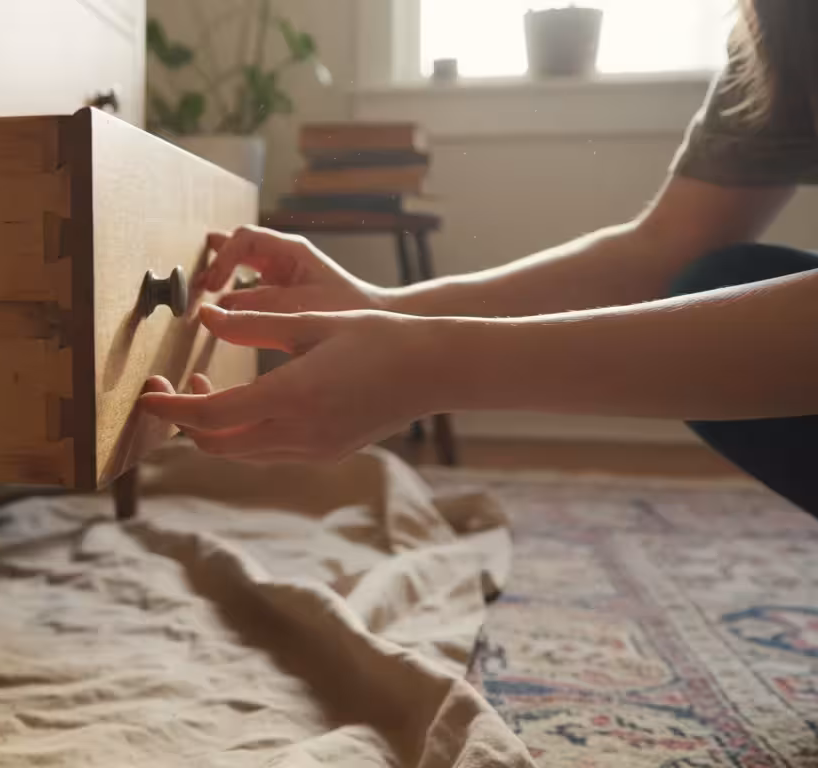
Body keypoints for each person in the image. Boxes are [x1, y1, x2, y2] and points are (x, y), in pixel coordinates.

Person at [139, 0, 818, 514]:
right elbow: (666, 247)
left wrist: (430, 364)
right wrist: (386, 310)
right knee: (717, 281)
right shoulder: (778, 28)